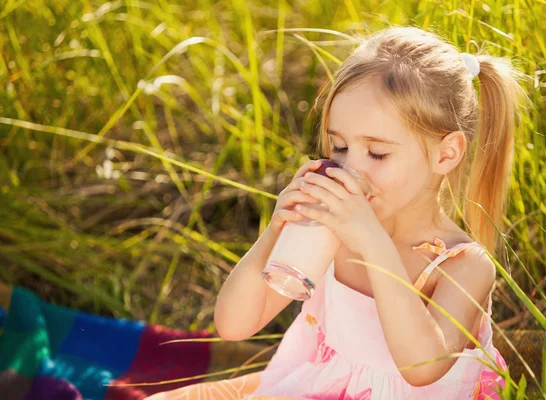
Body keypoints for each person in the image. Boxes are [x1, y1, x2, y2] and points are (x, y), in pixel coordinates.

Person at [145, 25, 525, 400]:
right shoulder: (327, 232)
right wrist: (276, 230)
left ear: (446, 154)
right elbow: (234, 324)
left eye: (377, 153)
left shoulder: (463, 264)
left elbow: (424, 368)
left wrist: (373, 243)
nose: (351, 169)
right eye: (339, 147)